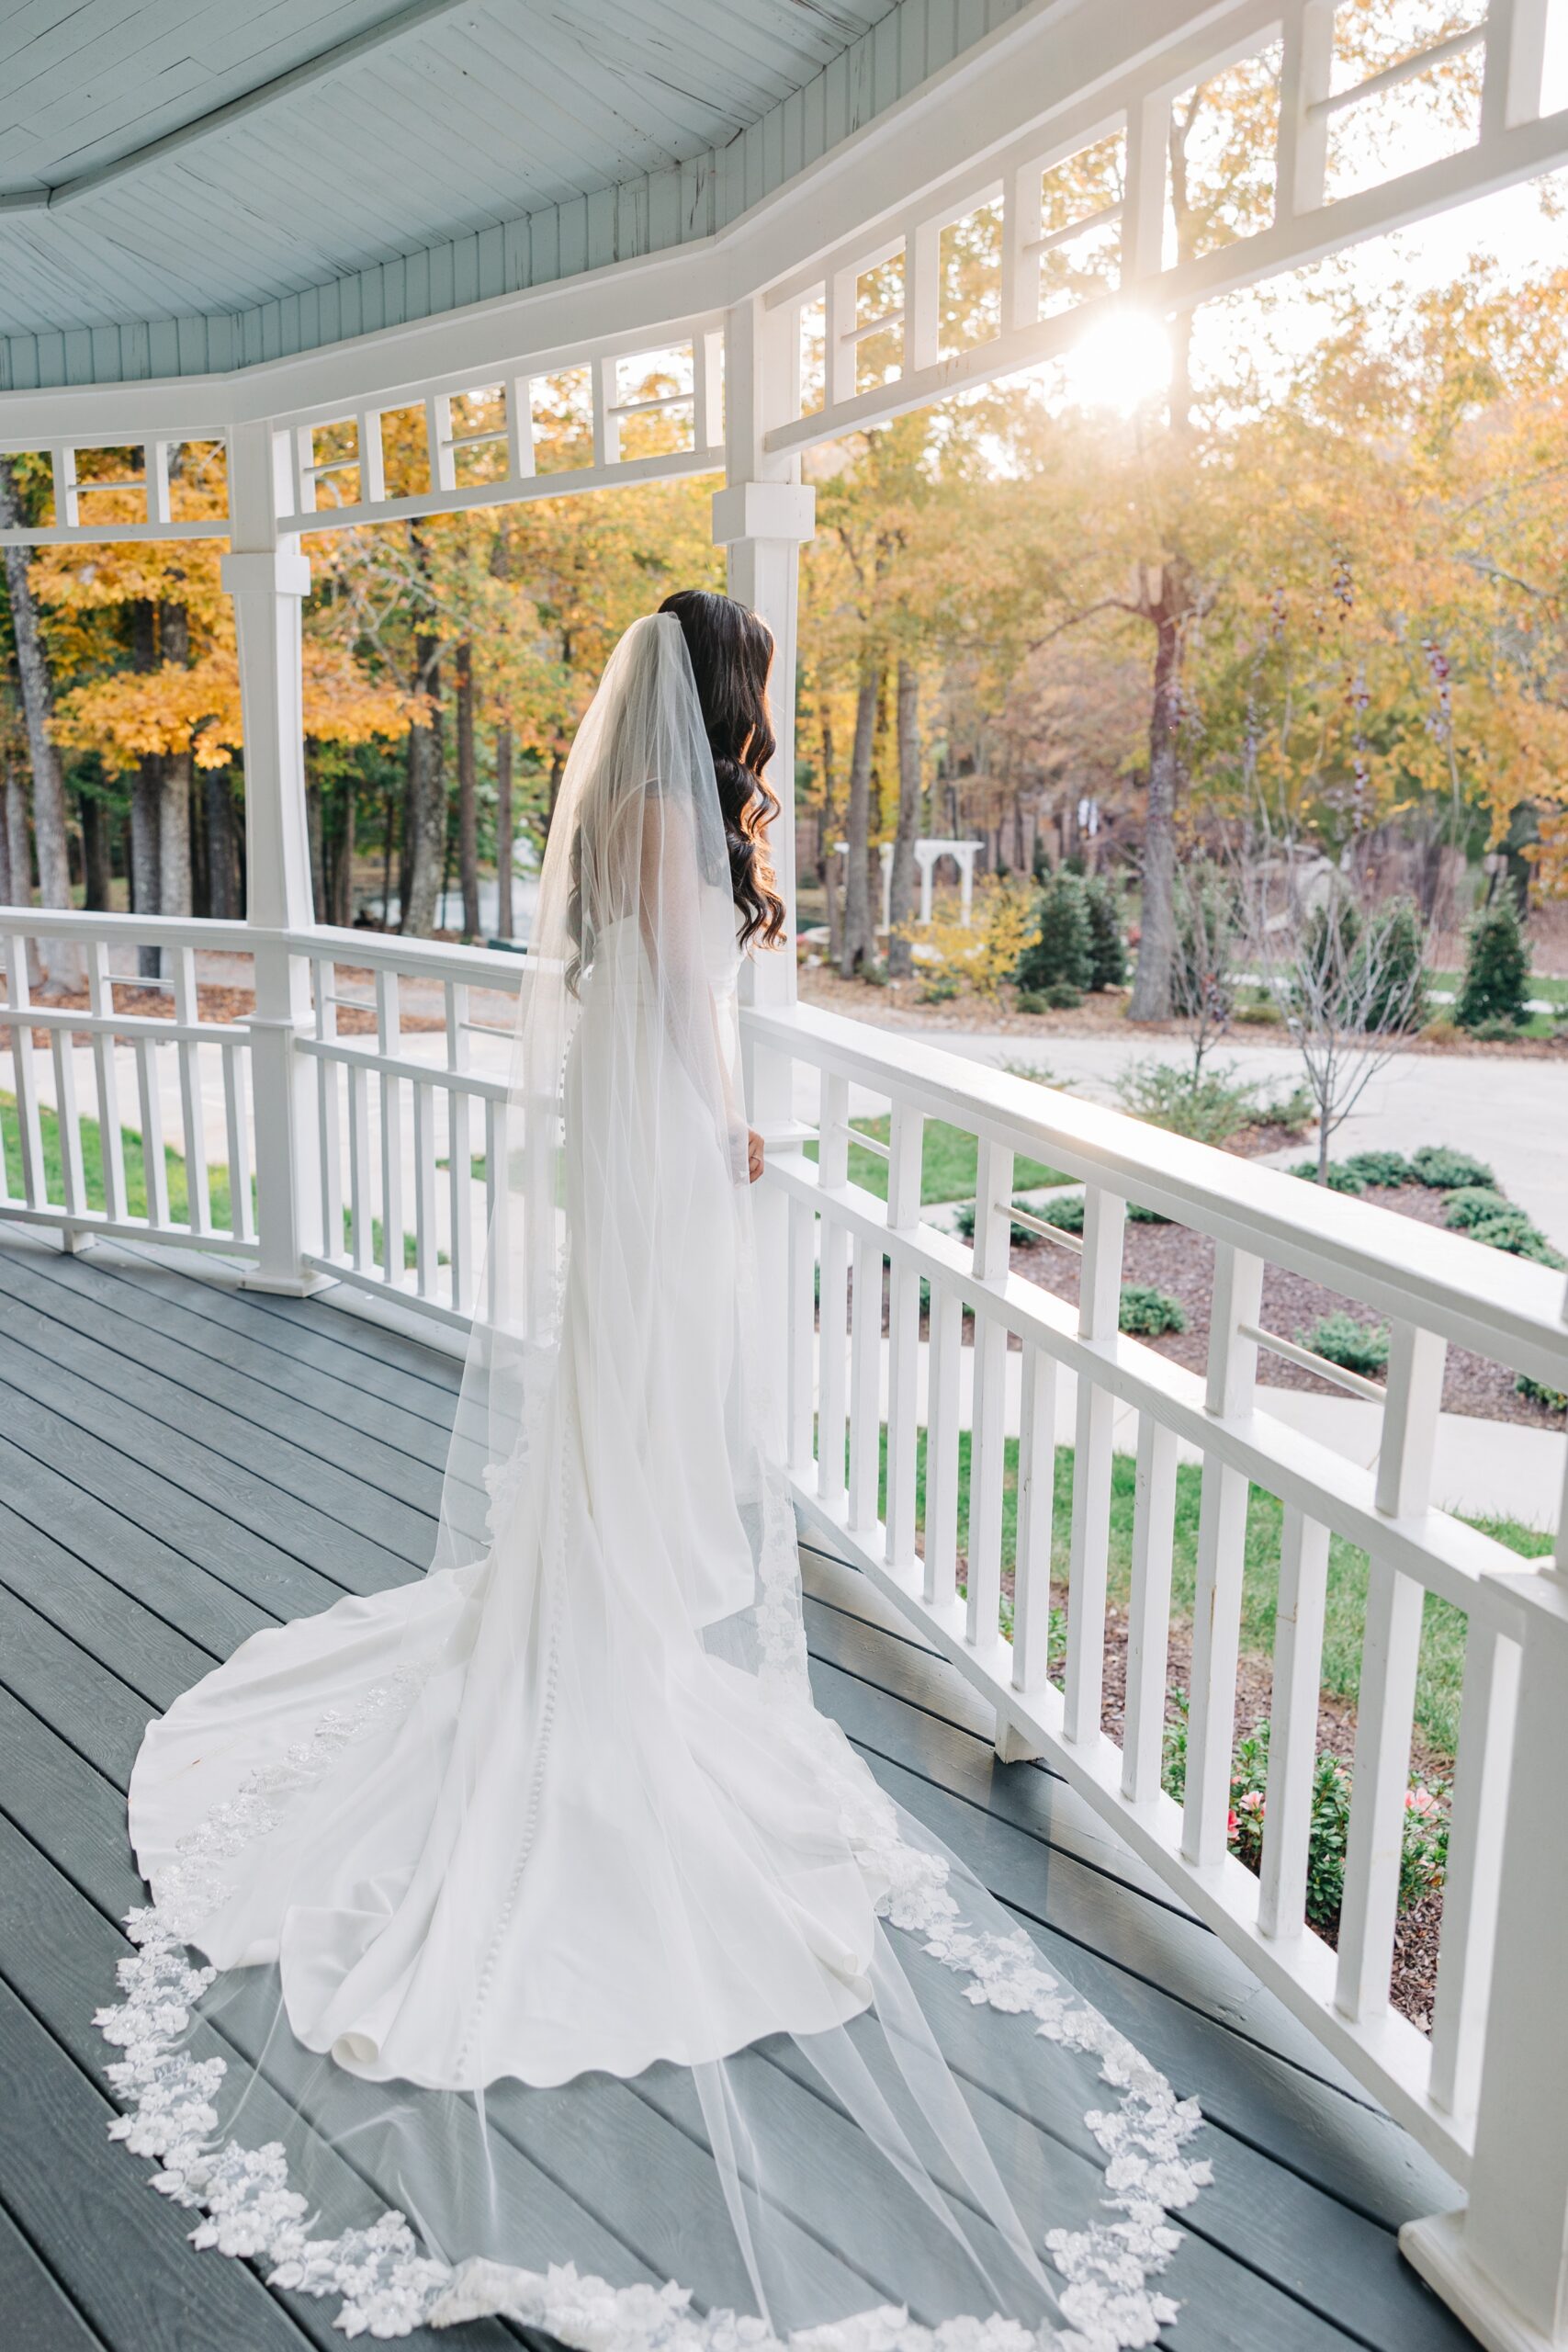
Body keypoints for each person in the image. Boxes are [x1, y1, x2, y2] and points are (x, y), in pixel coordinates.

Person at [105, 593, 1209, 2346]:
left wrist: (702, 1107)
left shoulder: (635, 813)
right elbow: (701, 1014)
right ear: (721, 695)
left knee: (614, 1416)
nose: (766, 713)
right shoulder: (675, 817)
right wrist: (732, 1131)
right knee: (654, 1407)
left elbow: (647, 989)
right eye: (758, 690)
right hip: (672, 1157)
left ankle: (593, 1615)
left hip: (632, 1156)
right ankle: (607, 1654)